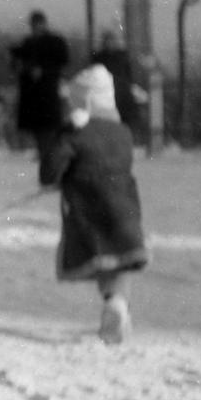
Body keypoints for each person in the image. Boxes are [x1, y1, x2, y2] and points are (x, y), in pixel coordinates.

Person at [39, 64, 149, 344]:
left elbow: (49, 173)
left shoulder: (75, 133)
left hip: (89, 211)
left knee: (102, 261)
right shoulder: (123, 132)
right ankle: (118, 305)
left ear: (82, 102)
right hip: (125, 208)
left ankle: (114, 303)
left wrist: (64, 135)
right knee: (122, 260)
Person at [10, 10, 70, 161]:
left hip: (47, 89)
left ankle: (48, 151)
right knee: (38, 125)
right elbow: (18, 63)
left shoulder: (54, 42)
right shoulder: (28, 42)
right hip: (32, 91)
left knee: (49, 124)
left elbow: (62, 61)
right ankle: (42, 150)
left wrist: (44, 70)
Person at [93, 28, 143, 141]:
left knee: (123, 124)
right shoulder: (99, 57)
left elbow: (129, 76)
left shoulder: (122, 56)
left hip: (121, 95)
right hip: (107, 96)